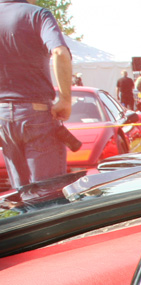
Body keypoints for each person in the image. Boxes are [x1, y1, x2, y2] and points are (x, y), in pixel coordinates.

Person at [0, 0, 73, 190]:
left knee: (23, 195)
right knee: (48, 195)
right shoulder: (37, 15)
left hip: (3, 118)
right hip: (36, 114)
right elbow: (59, 52)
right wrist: (65, 99)